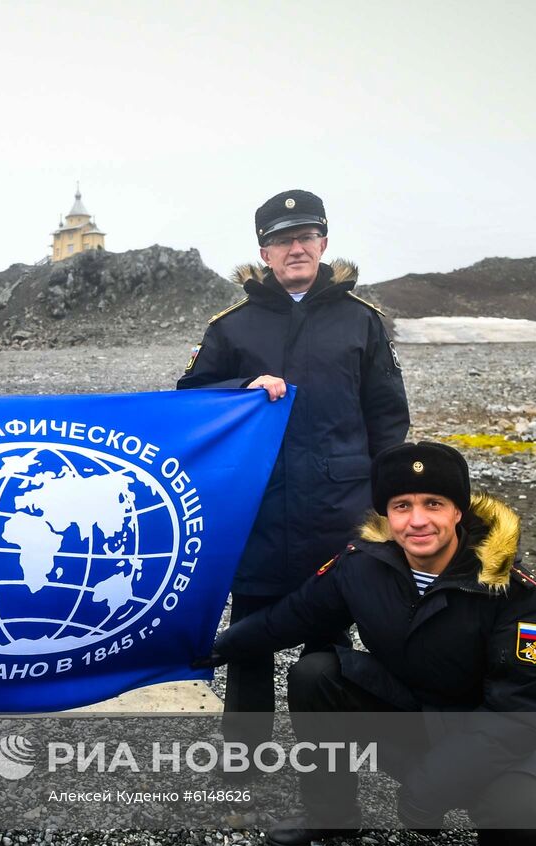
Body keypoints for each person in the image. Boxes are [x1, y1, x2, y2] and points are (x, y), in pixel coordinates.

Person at [206, 441, 536, 846]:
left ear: (458, 511)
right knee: (316, 674)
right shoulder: (363, 564)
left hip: (479, 727)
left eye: (434, 503)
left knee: (525, 815)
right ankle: (331, 815)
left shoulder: (514, 591)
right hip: (404, 711)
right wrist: (211, 648)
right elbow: (291, 618)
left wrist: (430, 787)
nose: (417, 520)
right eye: (402, 506)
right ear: (386, 515)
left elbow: (524, 710)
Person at [176, 189, 409, 751]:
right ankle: (242, 755)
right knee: (249, 637)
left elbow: (387, 417)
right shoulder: (232, 327)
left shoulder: (363, 323)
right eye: (282, 241)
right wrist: (240, 388)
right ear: (264, 252)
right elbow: (190, 399)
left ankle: (324, 763)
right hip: (256, 509)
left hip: (340, 512)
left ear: (324, 243)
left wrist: (387, 504)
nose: (295, 248)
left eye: (306, 236)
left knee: (327, 642)